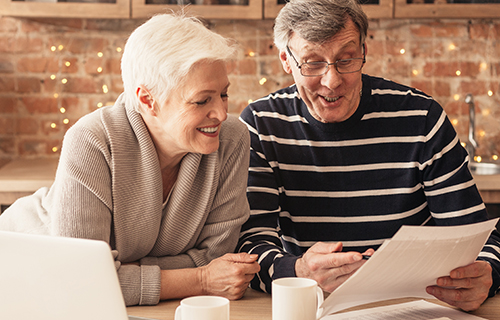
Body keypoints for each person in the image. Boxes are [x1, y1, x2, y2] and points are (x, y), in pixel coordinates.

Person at [237, 0, 500, 312]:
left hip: (416, 306)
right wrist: (298, 271)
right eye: (312, 62)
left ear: (364, 51)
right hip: (316, 305)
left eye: (346, 59)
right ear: (286, 60)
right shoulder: (261, 124)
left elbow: (477, 236)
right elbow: (249, 247)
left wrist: (488, 273)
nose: (331, 81)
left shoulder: (422, 117)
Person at [0, 13, 259, 306]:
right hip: (20, 279)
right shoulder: (92, 139)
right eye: (202, 100)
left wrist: (121, 272)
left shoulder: (232, 139)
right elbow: (81, 280)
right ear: (148, 100)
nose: (221, 114)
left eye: (223, 94)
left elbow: (216, 258)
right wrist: (198, 278)